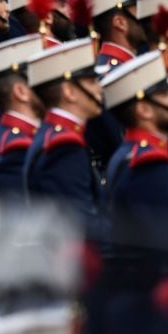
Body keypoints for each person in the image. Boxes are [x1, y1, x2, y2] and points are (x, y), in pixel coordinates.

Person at [92, 52, 168, 334]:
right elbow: (167, 243)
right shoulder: (150, 167)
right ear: (143, 108)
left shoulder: (129, 154)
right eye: (165, 94)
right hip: (157, 308)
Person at [23, 39, 103, 222]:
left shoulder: (57, 137)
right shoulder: (64, 148)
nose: (100, 88)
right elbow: (82, 225)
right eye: (92, 82)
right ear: (69, 91)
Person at [0, 35, 46, 197]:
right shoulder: (17, 150)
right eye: (42, 79)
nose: (51, 88)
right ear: (21, 92)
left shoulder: (12, 138)